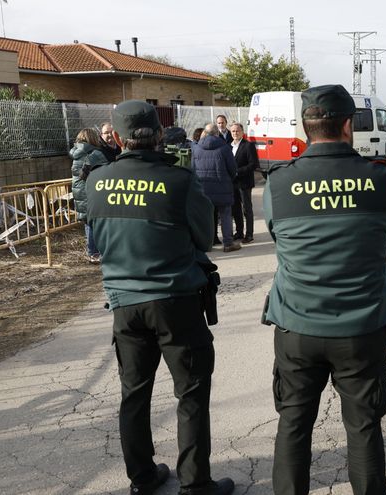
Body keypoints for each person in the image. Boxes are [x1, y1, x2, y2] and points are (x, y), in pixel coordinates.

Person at [85, 100, 235, 495]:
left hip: (124, 303)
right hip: (176, 301)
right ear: (159, 135)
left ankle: (143, 478)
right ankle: (194, 483)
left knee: (133, 394)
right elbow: (205, 236)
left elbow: (98, 240)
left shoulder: (96, 180)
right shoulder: (179, 180)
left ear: (116, 138)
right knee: (190, 391)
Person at [262, 85, 386, 495]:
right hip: (362, 328)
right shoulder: (379, 179)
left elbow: (275, 233)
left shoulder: (279, 182)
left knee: (293, 423)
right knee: (363, 426)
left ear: (305, 127)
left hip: (297, 328)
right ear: (347, 125)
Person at [193, 124, 241, 252]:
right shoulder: (224, 148)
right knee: (225, 215)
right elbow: (233, 168)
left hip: (203, 187)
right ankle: (228, 243)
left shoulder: (197, 148)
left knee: (207, 216)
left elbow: (193, 169)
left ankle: (207, 243)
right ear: (217, 133)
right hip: (223, 186)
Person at [69, 127, 108, 263]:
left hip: (79, 192)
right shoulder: (95, 153)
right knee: (97, 223)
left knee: (88, 222)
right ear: (93, 138)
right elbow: (108, 170)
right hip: (92, 193)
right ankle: (96, 252)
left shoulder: (76, 153)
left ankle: (92, 252)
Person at [229, 122, 258, 243]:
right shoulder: (228, 146)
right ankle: (239, 232)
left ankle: (249, 234)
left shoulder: (248, 145)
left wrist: (237, 172)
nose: (235, 133)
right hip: (232, 183)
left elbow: (253, 164)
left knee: (247, 209)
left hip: (244, 182)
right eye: (233, 131)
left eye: (237, 131)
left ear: (242, 132)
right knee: (235, 209)